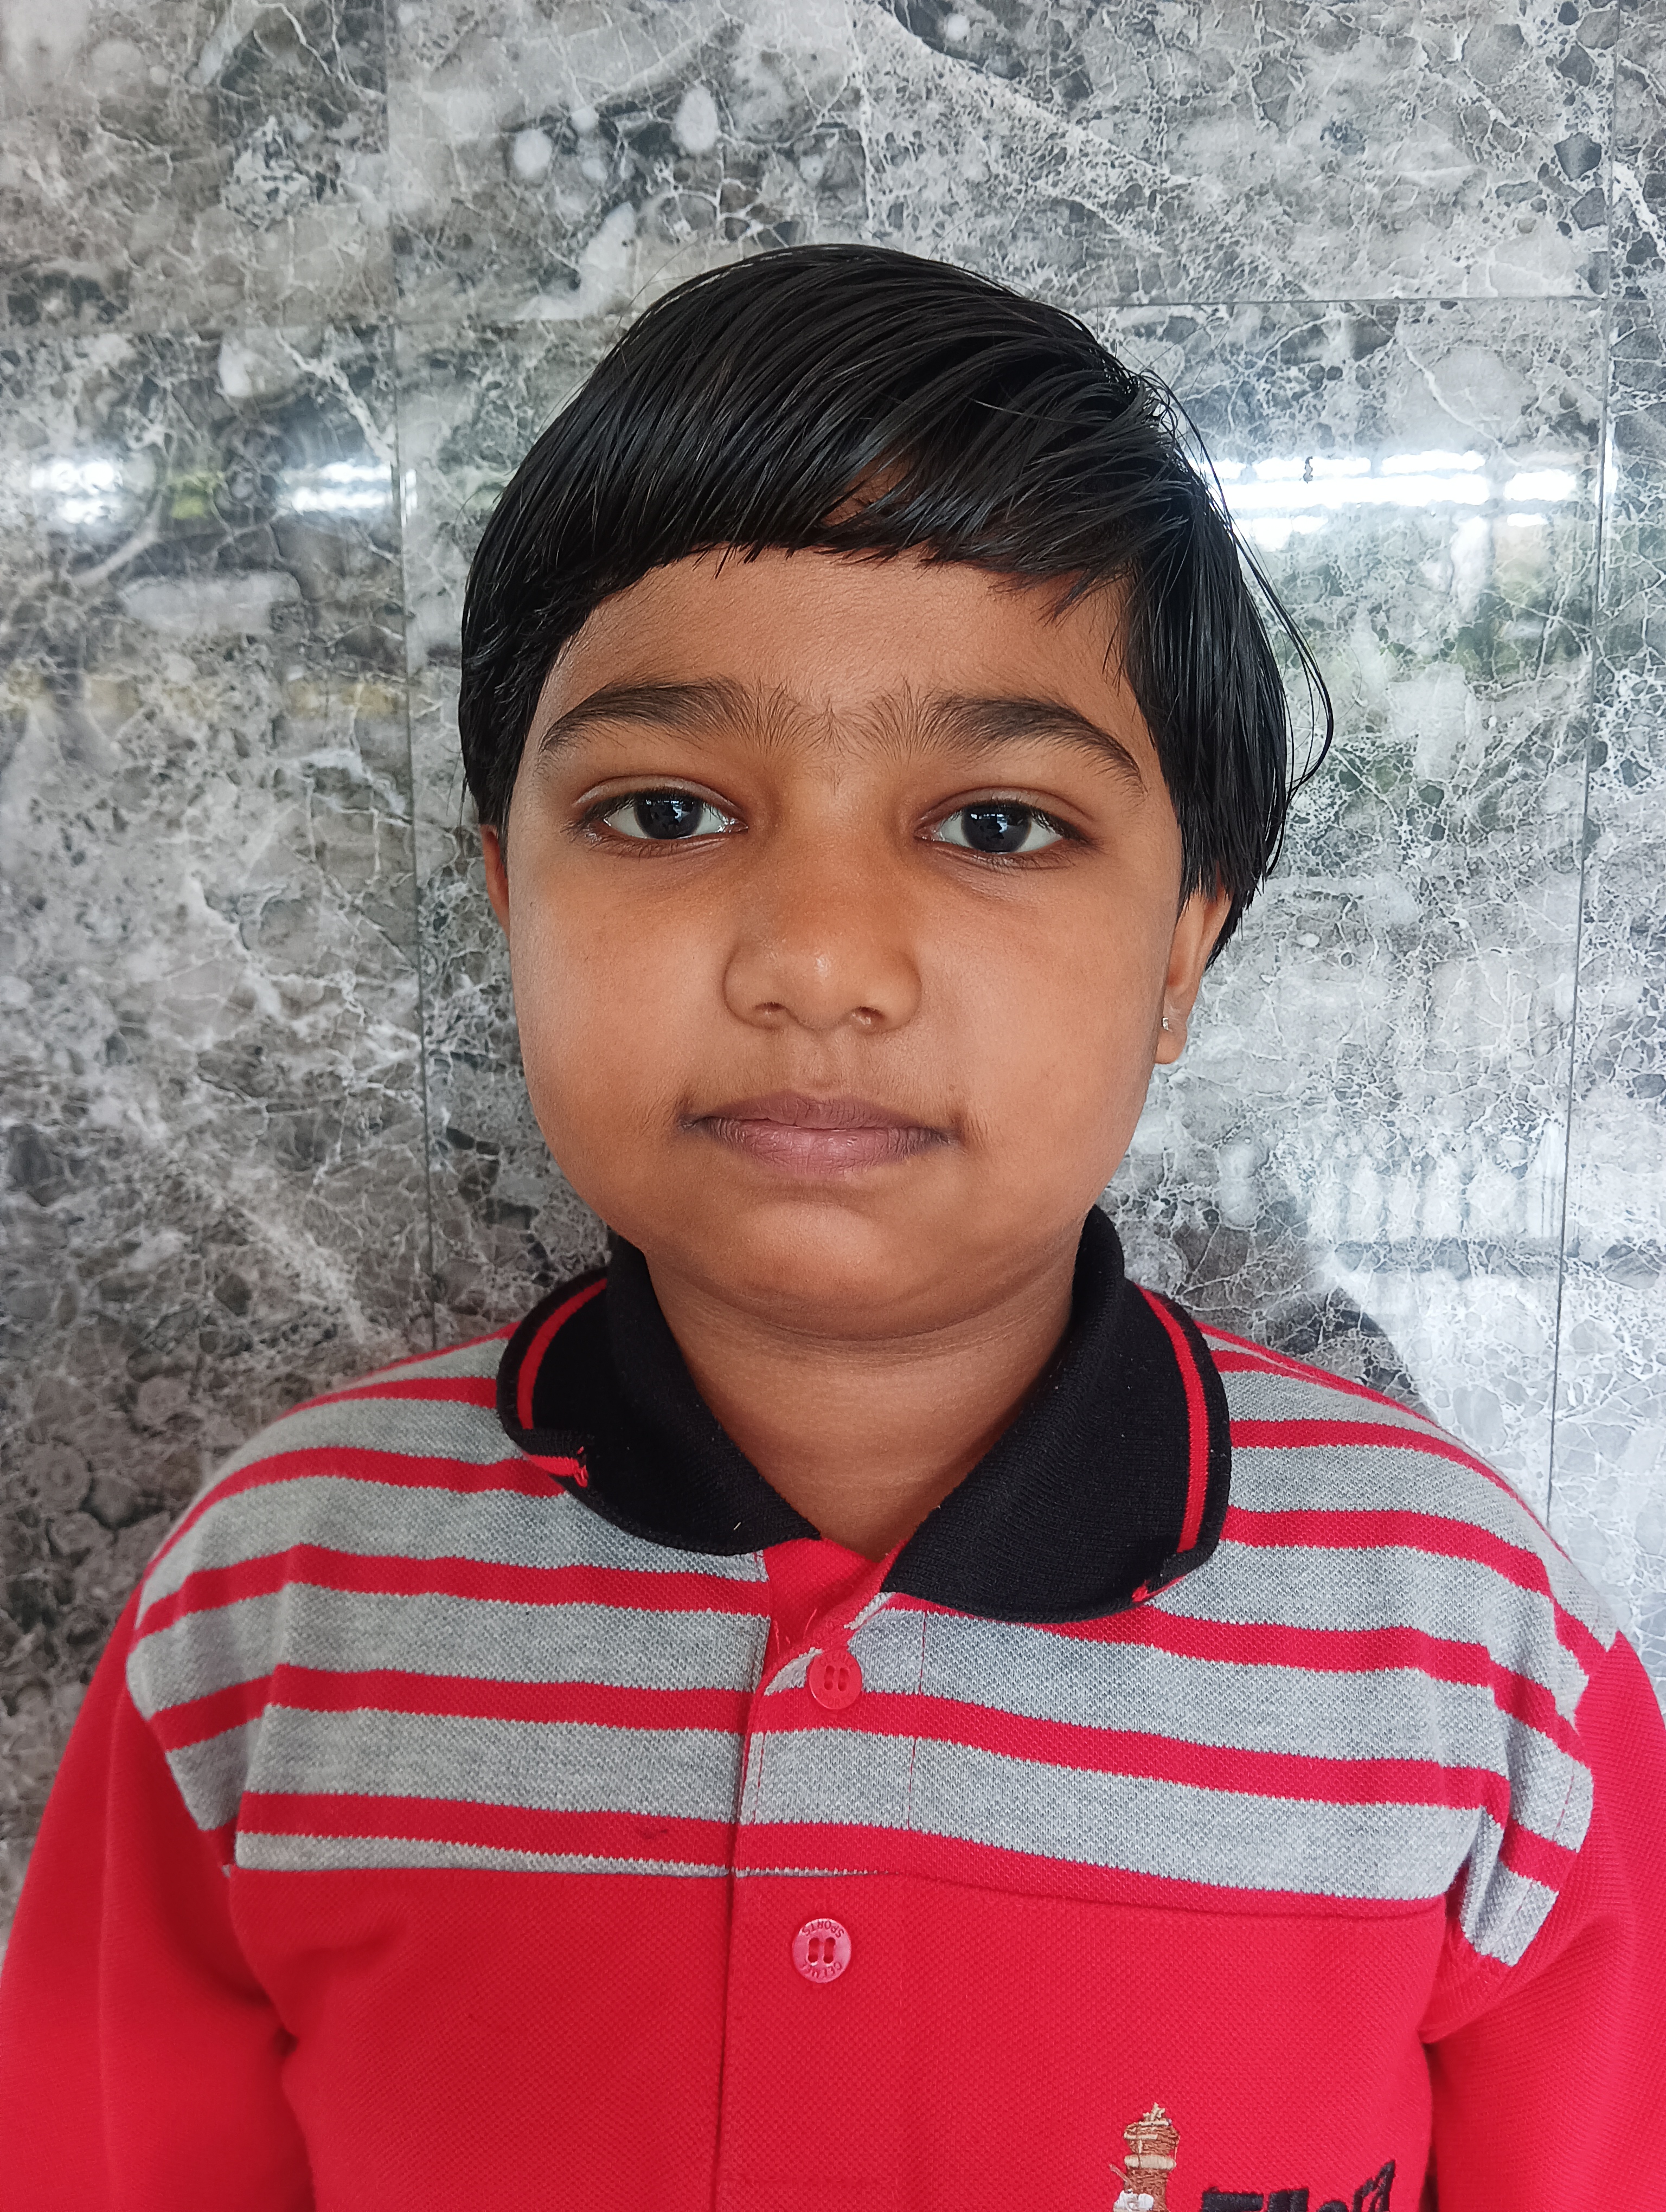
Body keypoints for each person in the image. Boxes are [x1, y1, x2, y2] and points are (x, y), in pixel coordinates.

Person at [0, 245, 1660, 2212]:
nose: (816, 960)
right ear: (508, 892)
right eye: (666, 813)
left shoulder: (1479, 1667)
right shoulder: (275, 1616)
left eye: (996, 825)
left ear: (1182, 948)